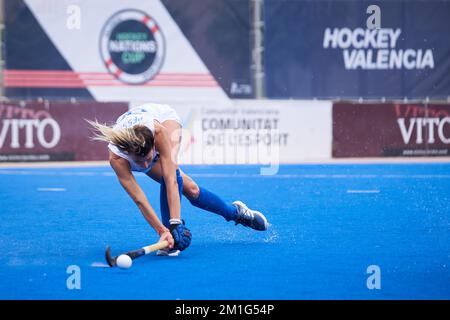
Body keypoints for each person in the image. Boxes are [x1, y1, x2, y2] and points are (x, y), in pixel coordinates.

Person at [88, 103, 269, 256]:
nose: (144, 167)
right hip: (136, 133)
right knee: (192, 189)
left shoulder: (159, 133)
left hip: (163, 117)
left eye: (148, 160)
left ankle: (237, 215)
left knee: (172, 176)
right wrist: (162, 231)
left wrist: (174, 224)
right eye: (138, 162)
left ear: (155, 147)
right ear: (129, 155)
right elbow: (139, 199)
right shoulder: (117, 159)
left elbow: (171, 179)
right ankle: (236, 211)